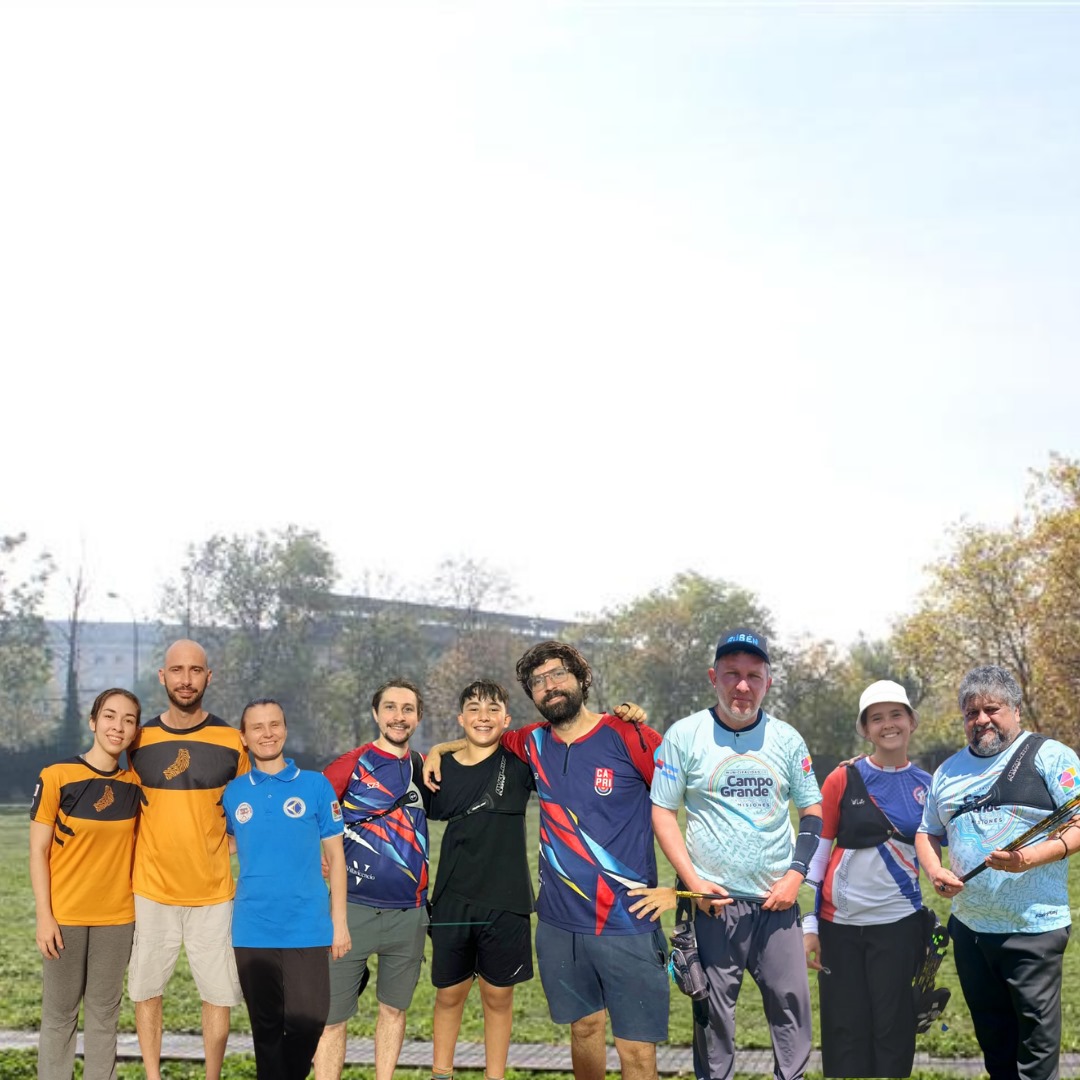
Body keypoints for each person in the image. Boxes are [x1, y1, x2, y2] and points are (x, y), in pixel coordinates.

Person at [425, 641, 671, 1080]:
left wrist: (677, 890)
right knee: (584, 1030)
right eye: (537, 682)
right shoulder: (531, 742)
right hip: (558, 923)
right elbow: (482, 736)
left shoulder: (629, 735)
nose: (549, 685)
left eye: (558, 674)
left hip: (627, 920)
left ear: (581, 678)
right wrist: (438, 749)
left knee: (636, 1051)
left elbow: (682, 803)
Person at [650, 628, 823, 1080]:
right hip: (713, 904)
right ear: (713, 677)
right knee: (713, 1021)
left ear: (768, 681)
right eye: (732, 674)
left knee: (792, 1013)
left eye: (753, 675)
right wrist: (691, 882)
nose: (742, 686)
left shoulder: (786, 739)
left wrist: (796, 876)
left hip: (777, 903)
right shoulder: (685, 735)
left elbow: (813, 812)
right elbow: (663, 812)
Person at [915, 664, 1080, 1080]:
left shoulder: (1050, 756)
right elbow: (926, 831)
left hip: (1034, 930)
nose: (982, 719)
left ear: (1016, 711)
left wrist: (1030, 857)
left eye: (993, 708)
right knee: (995, 1047)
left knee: (1035, 1055)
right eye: (972, 713)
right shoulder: (947, 772)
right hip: (970, 931)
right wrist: (935, 870)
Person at [126, 639, 250, 1080]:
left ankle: (212, 1076)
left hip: (213, 893)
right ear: (162, 676)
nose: (185, 679)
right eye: (176, 670)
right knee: (145, 990)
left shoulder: (232, 742)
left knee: (218, 994)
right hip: (152, 890)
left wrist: (221, 845)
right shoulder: (137, 738)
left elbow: (247, 813)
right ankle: (152, 1076)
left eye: (195, 670)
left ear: (208, 677)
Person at [802, 680, 932, 1078]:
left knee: (894, 1030)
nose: (887, 725)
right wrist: (810, 925)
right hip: (839, 929)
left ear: (911, 721)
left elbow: (935, 856)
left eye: (896, 715)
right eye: (876, 718)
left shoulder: (929, 786)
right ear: (864, 728)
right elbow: (816, 854)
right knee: (844, 1033)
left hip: (898, 926)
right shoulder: (842, 778)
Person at [222, 698, 351, 1080]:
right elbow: (226, 843)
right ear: (244, 737)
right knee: (265, 1029)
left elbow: (336, 858)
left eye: (274, 724)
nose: (267, 733)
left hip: (307, 924)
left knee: (309, 1019)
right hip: (253, 926)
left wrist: (338, 922)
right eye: (257, 727)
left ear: (285, 728)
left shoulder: (315, 785)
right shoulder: (233, 792)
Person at [313, 678, 430, 1080]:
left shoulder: (424, 766)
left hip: (409, 914)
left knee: (394, 1011)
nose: (400, 717)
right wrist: (319, 858)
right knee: (331, 1019)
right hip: (351, 912)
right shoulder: (352, 764)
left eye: (408, 709)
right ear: (376, 714)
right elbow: (308, 814)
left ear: (418, 717)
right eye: (392, 708)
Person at [29, 688, 143, 1080]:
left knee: (103, 1017)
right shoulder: (57, 777)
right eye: (110, 716)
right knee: (60, 1016)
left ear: (135, 731)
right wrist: (45, 916)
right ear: (93, 722)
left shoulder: (136, 785)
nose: (119, 726)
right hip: (66, 918)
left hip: (117, 920)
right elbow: (38, 853)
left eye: (128, 720)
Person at [425, 680, 536, 1080]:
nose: (483, 716)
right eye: (473, 708)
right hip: (453, 901)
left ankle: (495, 1076)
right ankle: (442, 1073)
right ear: (460, 719)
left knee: (498, 996)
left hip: (507, 902)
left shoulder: (521, 766)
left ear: (506, 719)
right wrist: (438, 750)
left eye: (493, 709)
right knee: (449, 994)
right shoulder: (437, 770)